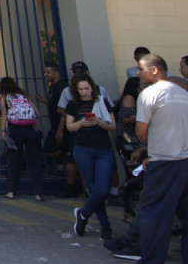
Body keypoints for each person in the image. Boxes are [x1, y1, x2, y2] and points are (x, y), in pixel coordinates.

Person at [131, 53, 188, 263]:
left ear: (154, 70)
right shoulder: (183, 92)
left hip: (164, 162)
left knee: (153, 215)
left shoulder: (149, 93)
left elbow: (140, 132)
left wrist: (151, 148)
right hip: (185, 160)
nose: (137, 72)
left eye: (140, 68)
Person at [66, 72, 117, 240]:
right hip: (83, 149)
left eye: (87, 88)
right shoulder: (73, 105)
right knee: (94, 188)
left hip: (103, 149)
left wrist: (99, 123)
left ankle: (83, 214)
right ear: (76, 90)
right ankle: (105, 225)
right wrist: (81, 122)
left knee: (102, 190)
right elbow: (69, 127)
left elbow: (112, 125)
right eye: (81, 89)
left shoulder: (101, 101)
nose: (84, 92)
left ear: (92, 87)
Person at [0, 76, 44, 201]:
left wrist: (3, 130)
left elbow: (4, 113)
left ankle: (11, 191)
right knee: (34, 161)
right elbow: (38, 114)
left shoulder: (3, 96)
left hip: (15, 130)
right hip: (30, 130)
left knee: (14, 161)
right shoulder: (23, 94)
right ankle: (39, 193)